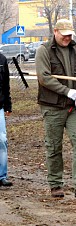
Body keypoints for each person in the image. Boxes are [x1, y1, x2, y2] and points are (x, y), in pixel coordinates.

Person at [35, 19, 76, 198]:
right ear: (55, 32)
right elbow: (44, 77)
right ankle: (55, 185)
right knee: (54, 146)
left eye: (70, 35)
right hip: (52, 106)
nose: (67, 38)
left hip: (74, 107)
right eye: (64, 34)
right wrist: (67, 92)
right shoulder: (44, 50)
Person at [0, 52, 13, 187]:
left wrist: (8, 105)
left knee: (2, 140)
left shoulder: (2, 59)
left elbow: (6, 85)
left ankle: (2, 175)